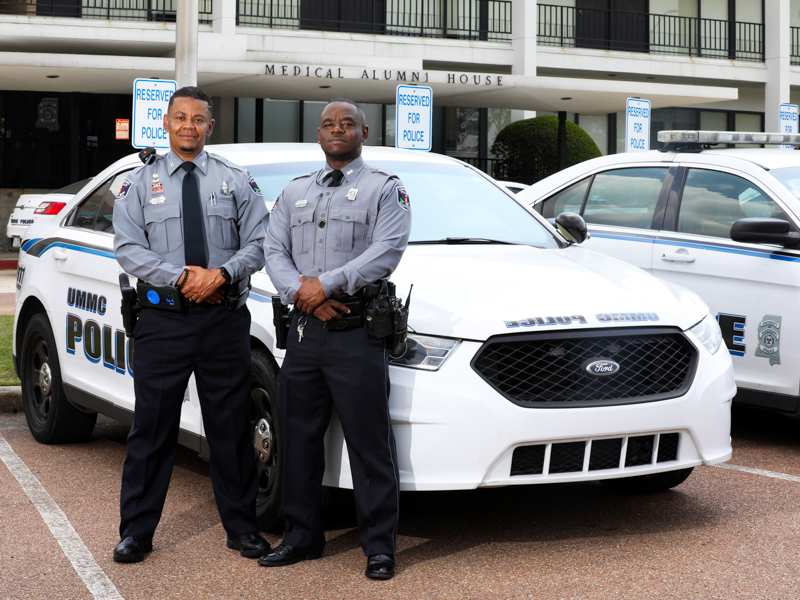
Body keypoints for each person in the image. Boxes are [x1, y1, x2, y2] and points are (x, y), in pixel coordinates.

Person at [111, 86, 270, 563]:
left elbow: (259, 243)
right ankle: (137, 532)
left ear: (210, 127)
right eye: (179, 118)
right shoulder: (139, 184)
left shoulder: (236, 180)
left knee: (230, 428)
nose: (188, 126)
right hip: (163, 320)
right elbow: (127, 247)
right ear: (165, 123)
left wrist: (221, 274)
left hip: (223, 319)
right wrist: (181, 277)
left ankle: (242, 528)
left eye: (197, 119)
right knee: (152, 428)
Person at [260, 98, 411, 580]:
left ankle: (379, 548)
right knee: (298, 439)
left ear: (364, 130)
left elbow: (386, 251)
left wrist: (324, 285)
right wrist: (303, 294)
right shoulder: (294, 191)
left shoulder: (386, 189)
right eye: (328, 124)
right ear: (318, 133)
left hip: (356, 333)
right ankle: (301, 538)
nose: (337, 129)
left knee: (370, 444)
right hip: (305, 334)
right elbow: (273, 250)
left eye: (347, 123)